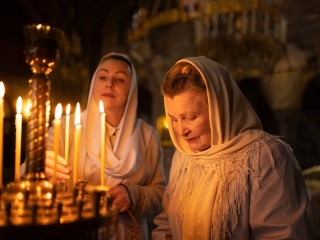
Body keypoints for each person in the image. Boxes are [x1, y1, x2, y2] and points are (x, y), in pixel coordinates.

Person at [152, 56, 309, 239]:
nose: (180, 130)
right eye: (173, 119)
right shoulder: (183, 156)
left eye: (191, 117)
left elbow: (281, 234)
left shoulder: (264, 157)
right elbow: (166, 223)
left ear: (220, 108)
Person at [42, 52, 165, 239]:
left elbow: (160, 192)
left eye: (120, 79)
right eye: (103, 76)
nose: (109, 83)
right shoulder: (65, 128)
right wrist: (42, 165)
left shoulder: (147, 136)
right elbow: (32, 172)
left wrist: (132, 195)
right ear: (94, 83)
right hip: (75, 230)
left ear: (132, 89)